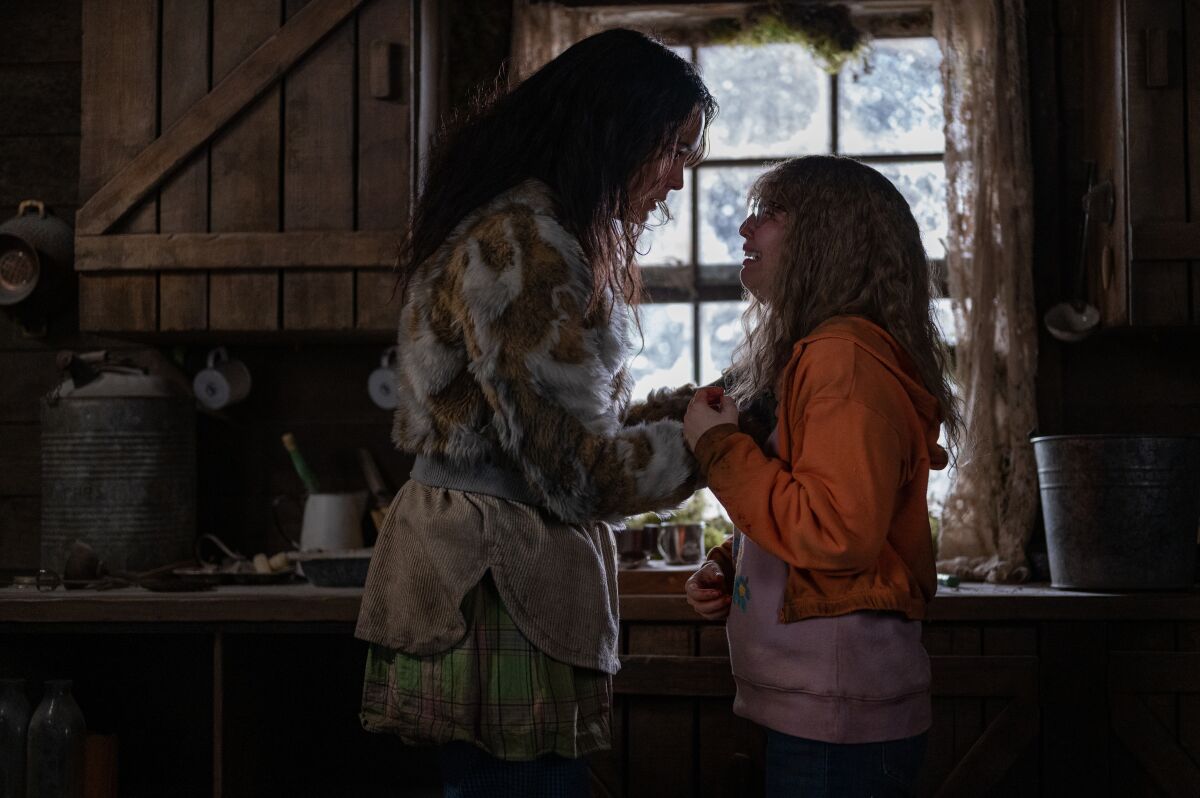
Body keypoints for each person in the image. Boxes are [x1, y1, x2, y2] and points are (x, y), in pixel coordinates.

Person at [355, 29, 716, 797]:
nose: (679, 180)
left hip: (482, 565)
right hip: (494, 577)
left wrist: (688, 413)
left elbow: (555, 433)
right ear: (617, 131)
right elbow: (573, 474)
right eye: (675, 149)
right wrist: (711, 445)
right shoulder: (527, 245)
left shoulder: (522, 228)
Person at [681, 155, 962, 797]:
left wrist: (720, 447)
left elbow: (836, 534)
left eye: (771, 213)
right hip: (826, 712)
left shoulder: (842, 361)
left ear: (825, 239)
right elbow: (828, 509)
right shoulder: (831, 356)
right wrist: (739, 564)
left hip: (836, 721)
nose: (746, 228)